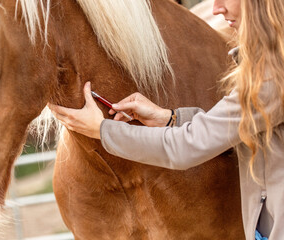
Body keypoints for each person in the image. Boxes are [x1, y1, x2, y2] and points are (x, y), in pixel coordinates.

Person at [48, 0, 284, 239]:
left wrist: (102, 129)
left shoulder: (272, 78)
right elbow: (235, 128)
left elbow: (186, 146)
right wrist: (169, 118)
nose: (216, 9)